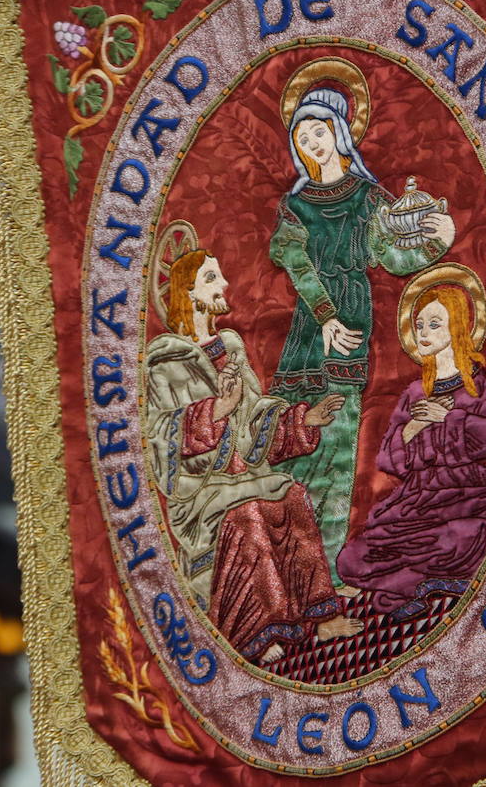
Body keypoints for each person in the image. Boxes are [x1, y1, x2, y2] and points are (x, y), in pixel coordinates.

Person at [269, 60, 455, 590]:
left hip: (352, 322)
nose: (312, 142)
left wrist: (437, 236)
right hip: (311, 326)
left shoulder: (367, 198)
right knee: (298, 441)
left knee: (340, 447)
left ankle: (323, 575)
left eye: (319, 131)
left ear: (340, 134)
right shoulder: (296, 205)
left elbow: (395, 256)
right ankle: (289, 577)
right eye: (302, 135)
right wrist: (324, 317)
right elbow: (295, 262)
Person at [143, 246, 364, 663]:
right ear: (187, 293)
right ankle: (256, 630)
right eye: (212, 279)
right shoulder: (166, 362)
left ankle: (320, 617)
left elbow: (255, 417)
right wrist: (213, 413)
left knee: (293, 496)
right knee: (250, 515)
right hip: (203, 493)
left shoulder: (231, 345)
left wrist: (303, 420)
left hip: (248, 476)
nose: (224, 285)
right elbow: (159, 436)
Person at [337, 272, 486, 619]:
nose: (424, 332)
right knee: (350, 558)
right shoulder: (415, 393)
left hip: (467, 492)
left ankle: (402, 584)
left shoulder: (473, 385)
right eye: (419, 324)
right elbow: (388, 458)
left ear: (457, 327)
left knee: (470, 536)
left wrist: (447, 419)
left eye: (435, 324)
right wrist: (415, 424)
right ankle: (416, 579)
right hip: (417, 499)